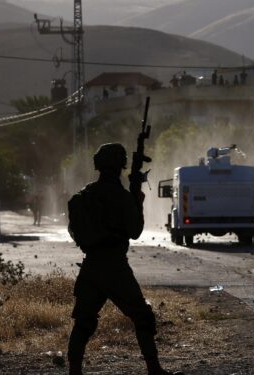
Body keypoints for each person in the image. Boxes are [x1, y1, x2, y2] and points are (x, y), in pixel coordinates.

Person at [66, 143, 181, 375]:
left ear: (98, 165)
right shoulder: (122, 197)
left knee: (84, 322)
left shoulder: (83, 196)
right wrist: (137, 201)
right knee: (143, 316)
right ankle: (154, 368)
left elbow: (75, 231)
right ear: (121, 166)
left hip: (90, 266)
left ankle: (74, 371)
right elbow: (135, 231)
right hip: (114, 266)